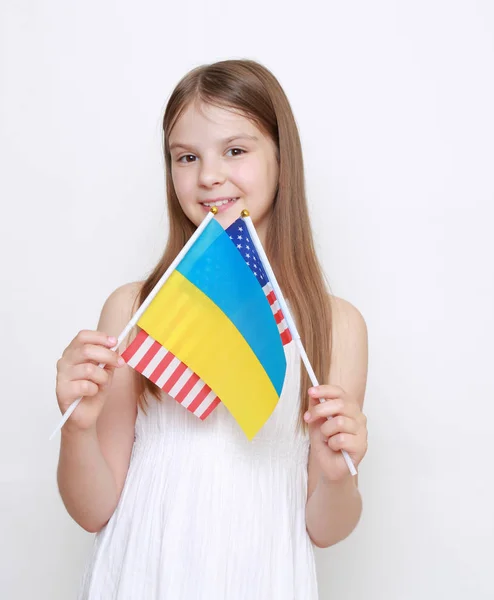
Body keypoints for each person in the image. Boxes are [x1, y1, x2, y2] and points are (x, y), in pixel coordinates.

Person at [55, 59, 369, 600]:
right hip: (144, 572)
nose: (207, 176)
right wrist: (77, 427)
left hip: (263, 575)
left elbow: (326, 528)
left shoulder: (334, 324)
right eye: (186, 157)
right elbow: (93, 509)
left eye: (236, 151)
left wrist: (336, 470)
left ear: (282, 161)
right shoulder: (136, 309)